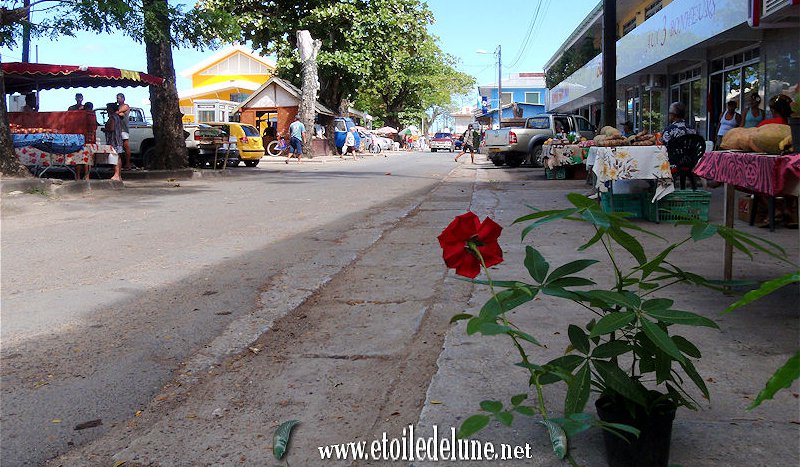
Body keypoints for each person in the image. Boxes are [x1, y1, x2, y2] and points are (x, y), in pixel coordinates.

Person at [102, 102, 123, 181]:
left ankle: (117, 174)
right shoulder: (117, 117)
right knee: (118, 157)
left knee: (115, 157)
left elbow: (111, 128)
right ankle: (118, 175)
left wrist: (105, 129)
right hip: (118, 139)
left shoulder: (113, 118)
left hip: (114, 140)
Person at [115, 93, 133, 170]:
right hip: (118, 129)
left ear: (123, 98)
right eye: (117, 98)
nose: (117, 100)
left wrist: (118, 112)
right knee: (118, 147)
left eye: (118, 98)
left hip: (123, 129)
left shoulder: (126, 106)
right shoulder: (117, 107)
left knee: (126, 146)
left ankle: (128, 163)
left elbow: (119, 112)